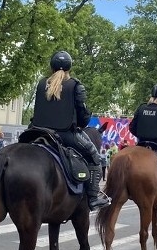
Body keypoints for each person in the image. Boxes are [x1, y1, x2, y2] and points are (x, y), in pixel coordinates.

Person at [30, 51, 109, 210]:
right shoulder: (75, 85)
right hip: (64, 134)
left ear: (51, 67)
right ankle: (93, 198)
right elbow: (83, 117)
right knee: (95, 158)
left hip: (35, 132)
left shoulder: (41, 83)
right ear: (69, 67)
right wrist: (81, 122)